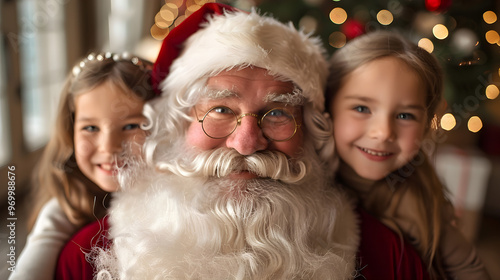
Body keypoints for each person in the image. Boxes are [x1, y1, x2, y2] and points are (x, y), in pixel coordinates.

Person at [56, 3, 430, 279]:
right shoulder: (85, 257)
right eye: (220, 110)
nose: (247, 143)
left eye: (278, 113)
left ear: (313, 135)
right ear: (177, 126)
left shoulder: (388, 257)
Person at [326, 31, 490, 280]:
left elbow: (471, 271)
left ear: (426, 125)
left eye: (405, 116)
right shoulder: (304, 179)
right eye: (362, 108)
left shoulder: (421, 198)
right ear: (327, 107)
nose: (383, 133)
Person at [9, 52, 156, 280]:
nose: (108, 147)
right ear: (70, 133)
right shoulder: (62, 211)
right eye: (90, 128)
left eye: (130, 126)